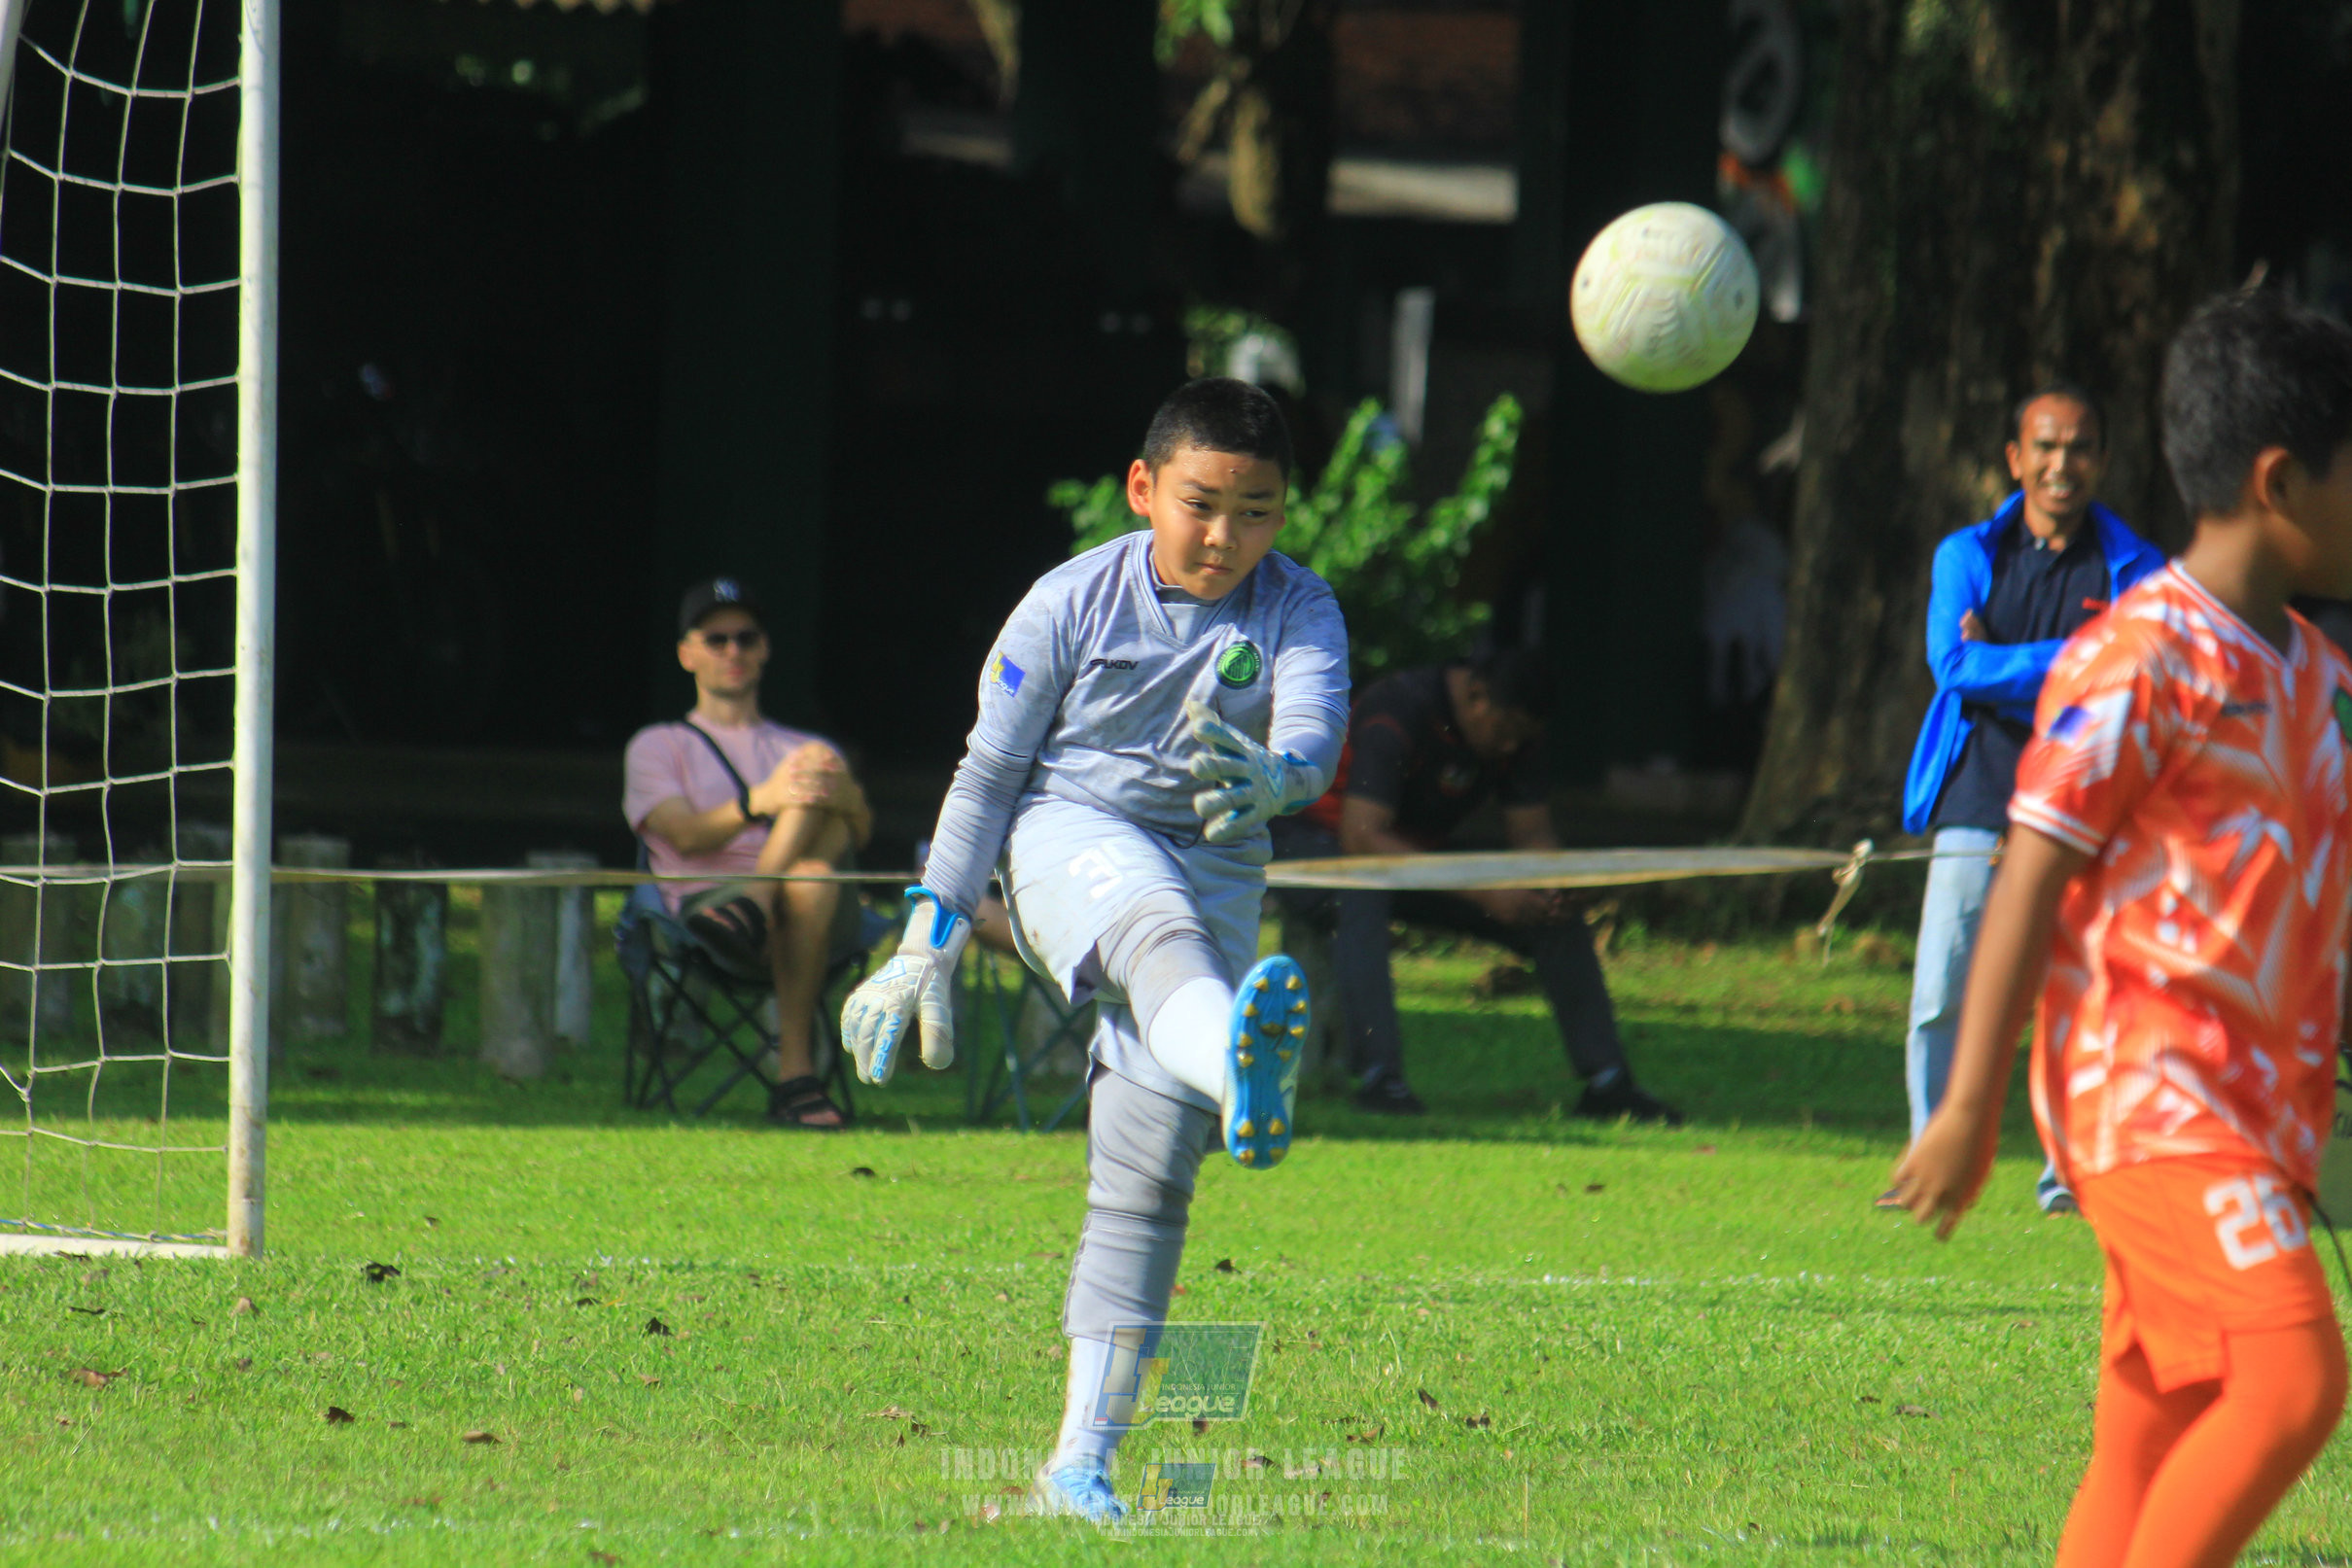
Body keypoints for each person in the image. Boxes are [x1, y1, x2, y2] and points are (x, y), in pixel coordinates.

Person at [1888, 290, 2352, 1568]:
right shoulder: (2139, 654)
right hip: (2149, 1100)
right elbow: (2031, 864)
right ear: (2277, 478)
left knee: (2150, 1431)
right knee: (2285, 1379)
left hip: (2255, 1116)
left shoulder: (2315, 675)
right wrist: (1969, 1105)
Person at [838, 378, 1348, 1525]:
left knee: (1146, 1175)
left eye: (1256, 510)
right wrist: (927, 937)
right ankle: (1239, 1063)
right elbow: (985, 776)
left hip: (1220, 861)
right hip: (1072, 835)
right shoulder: (1068, 600)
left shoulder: (1302, 608)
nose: (1226, 536)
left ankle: (1079, 1465)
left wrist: (1282, 775)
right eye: (1201, 503)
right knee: (1151, 927)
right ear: (1142, 488)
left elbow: (1313, 731)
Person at [1893, 384, 2164, 1213]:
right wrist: (2080, 655)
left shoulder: (2136, 565)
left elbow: (2132, 673)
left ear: (2101, 461)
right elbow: (1956, 668)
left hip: (2085, 798)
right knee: (1945, 983)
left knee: (2075, 991)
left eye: (2078, 447)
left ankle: (2066, 1176)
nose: (2060, 464)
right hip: (1977, 793)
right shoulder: (1964, 553)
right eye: (2044, 447)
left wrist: (2012, 662)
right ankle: (1932, 1156)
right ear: (2015, 459)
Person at [1269, 649, 1678, 1123]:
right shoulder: (1398, 711)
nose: (1508, 748)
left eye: (1519, 739)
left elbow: (1533, 836)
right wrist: (1485, 894)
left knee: (1553, 918)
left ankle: (1609, 1084)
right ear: (1476, 696)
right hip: (1311, 845)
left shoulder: (1518, 735)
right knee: (1363, 892)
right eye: (1503, 732)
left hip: (1405, 856)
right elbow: (1363, 837)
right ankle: (1382, 1079)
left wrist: (1555, 887)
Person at [623, 577, 871, 1130]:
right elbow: (683, 835)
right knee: (808, 874)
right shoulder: (658, 744)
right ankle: (797, 1079)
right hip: (709, 918)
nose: (733, 651)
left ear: (765, 649)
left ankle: (757, 899)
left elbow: (860, 831)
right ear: (686, 654)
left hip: (804, 918)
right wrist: (763, 799)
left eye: (746, 637)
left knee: (812, 792)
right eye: (716, 640)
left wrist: (840, 794)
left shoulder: (803, 747)